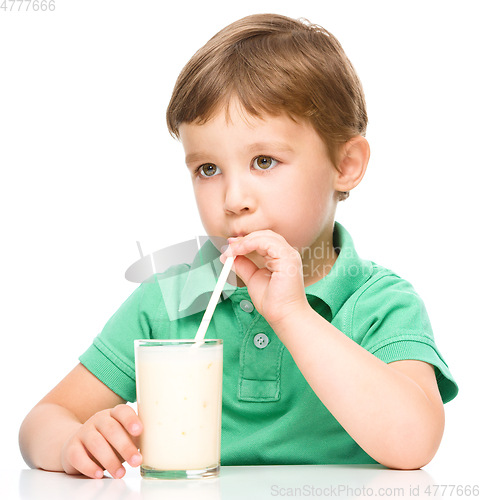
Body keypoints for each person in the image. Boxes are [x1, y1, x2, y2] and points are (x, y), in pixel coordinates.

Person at [19, 13, 458, 478]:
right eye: (207, 169)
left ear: (345, 164)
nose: (233, 200)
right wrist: (74, 440)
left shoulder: (379, 303)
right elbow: (40, 422)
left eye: (264, 161)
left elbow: (414, 443)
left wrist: (292, 316)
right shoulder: (172, 299)